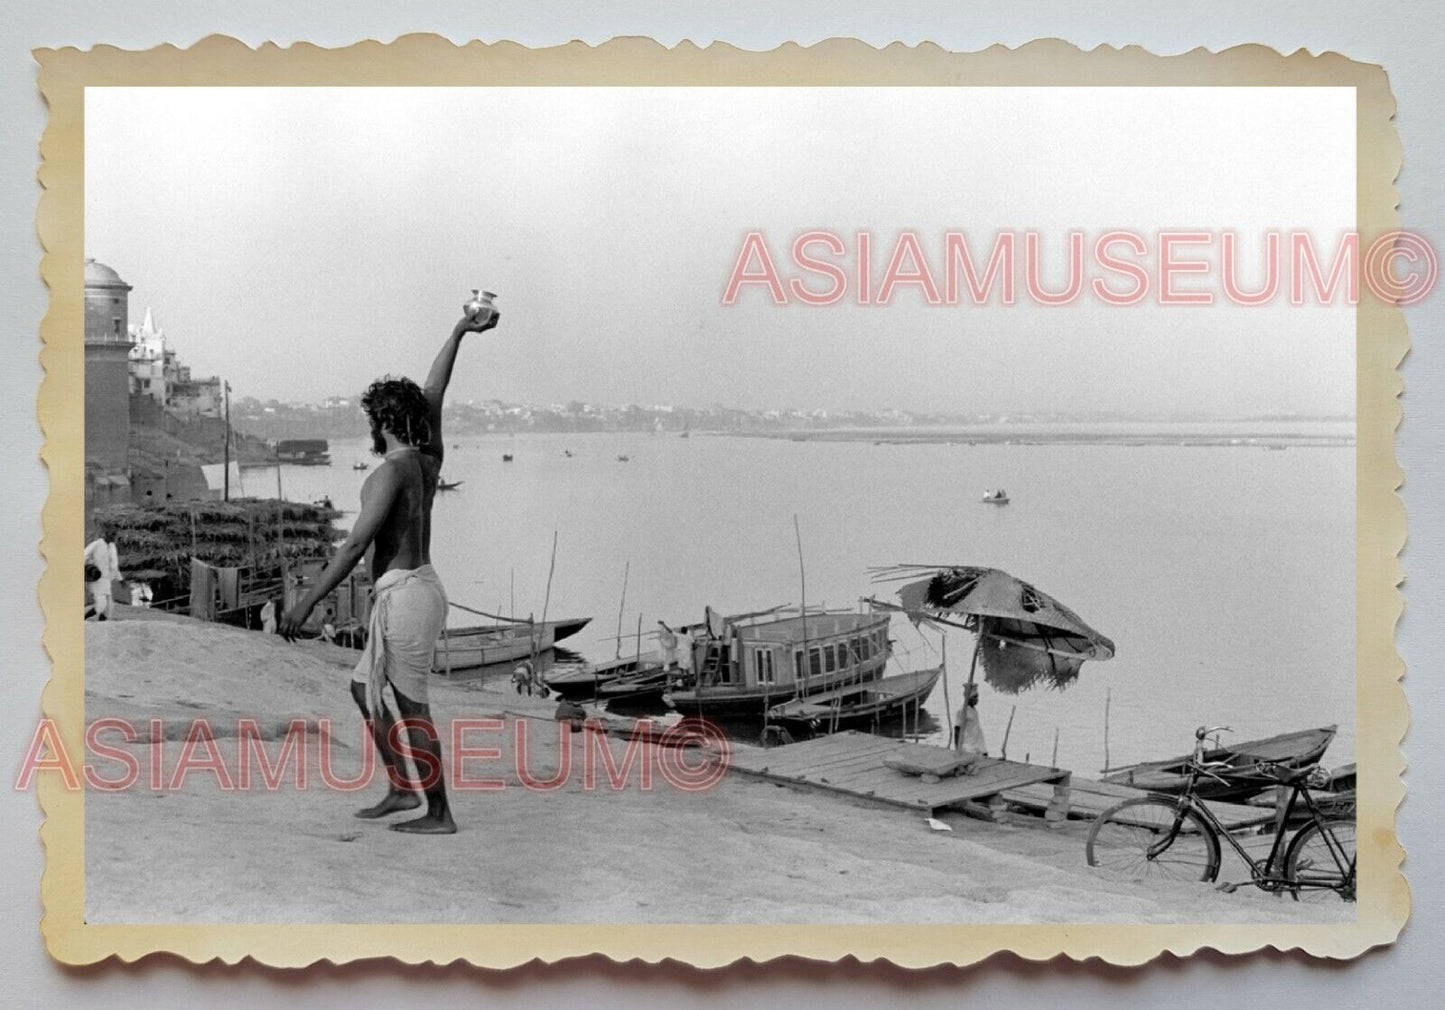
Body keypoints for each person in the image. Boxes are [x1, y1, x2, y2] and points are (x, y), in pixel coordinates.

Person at [280, 304, 500, 834]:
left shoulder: (390, 473)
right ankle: (403, 789)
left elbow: (356, 545)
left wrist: (306, 603)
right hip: (416, 590)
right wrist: (457, 333)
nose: (370, 429)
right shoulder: (428, 460)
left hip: (406, 597)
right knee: (364, 689)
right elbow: (434, 393)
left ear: (382, 423)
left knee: (411, 708)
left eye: (371, 421)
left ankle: (440, 813)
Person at [84, 536, 121, 621]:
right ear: (105, 533)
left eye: (114, 533)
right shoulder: (97, 544)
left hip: (106, 581)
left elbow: (114, 566)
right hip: (96, 579)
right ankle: (82, 620)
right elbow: (84, 554)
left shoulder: (112, 546)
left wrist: (120, 578)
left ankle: (101, 626)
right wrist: (86, 569)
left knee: (109, 608)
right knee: (101, 605)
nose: (113, 535)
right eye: (111, 533)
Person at [953, 683, 987, 756]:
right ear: (969, 698)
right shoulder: (962, 711)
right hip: (968, 747)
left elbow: (976, 730)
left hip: (976, 745)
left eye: (977, 697)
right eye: (974, 697)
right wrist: (957, 748)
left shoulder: (974, 710)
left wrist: (983, 749)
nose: (977, 699)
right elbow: (957, 730)